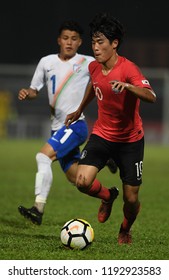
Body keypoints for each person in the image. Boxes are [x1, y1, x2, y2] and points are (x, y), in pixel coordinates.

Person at [65, 13, 156, 244]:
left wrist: (127, 86)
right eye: (93, 42)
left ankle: (125, 229)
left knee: (132, 198)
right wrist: (79, 109)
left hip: (130, 141)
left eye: (101, 42)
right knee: (82, 181)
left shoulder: (129, 69)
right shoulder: (94, 67)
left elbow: (151, 96)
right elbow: (92, 85)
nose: (95, 47)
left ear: (114, 44)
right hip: (102, 135)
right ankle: (107, 196)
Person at [18, 20, 117, 226]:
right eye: (65, 38)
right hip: (58, 128)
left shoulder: (87, 62)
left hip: (75, 126)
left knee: (43, 156)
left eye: (74, 39)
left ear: (80, 42)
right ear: (59, 40)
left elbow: (108, 70)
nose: (69, 43)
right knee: (76, 178)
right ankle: (108, 193)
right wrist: (28, 93)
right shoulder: (46, 62)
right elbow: (35, 90)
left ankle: (38, 208)